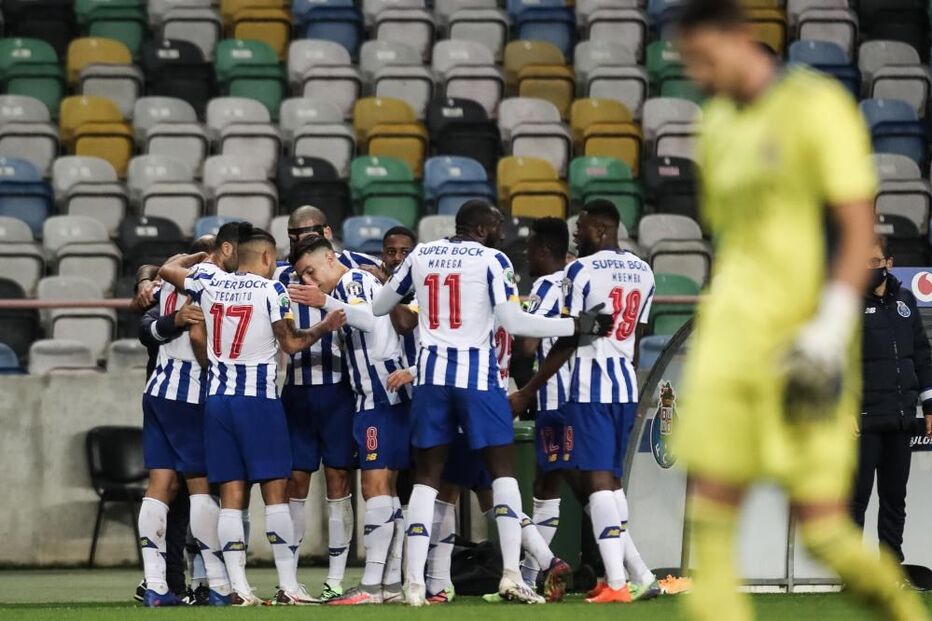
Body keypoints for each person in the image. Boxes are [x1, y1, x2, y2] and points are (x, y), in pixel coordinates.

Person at [671, 1, 927, 620]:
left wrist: (830, 327)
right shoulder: (716, 124)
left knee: (823, 532)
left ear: (740, 37)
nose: (699, 75)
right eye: (689, 64)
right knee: (710, 521)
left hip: (804, 337)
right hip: (730, 338)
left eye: (705, 58)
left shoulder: (816, 108)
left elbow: (856, 226)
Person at [371, 199, 614, 606]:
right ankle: (512, 576)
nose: (504, 233)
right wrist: (576, 325)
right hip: (477, 379)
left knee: (427, 478)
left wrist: (421, 300)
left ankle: (413, 584)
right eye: (498, 225)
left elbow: (380, 306)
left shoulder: (422, 254)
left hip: (431, 376)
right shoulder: (492, 260)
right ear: (481, 229)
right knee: (502, 474)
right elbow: (515, 322)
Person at [159, 227, 346, 606]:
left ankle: (238, 589)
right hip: (258, 401)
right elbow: (291, 343)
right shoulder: (271, 290)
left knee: (231, 495)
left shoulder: (210, 281)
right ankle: (289, 586)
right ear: (266, 257)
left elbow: (166, 270)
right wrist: (324, 327)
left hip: (217, 400)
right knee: (275, 492)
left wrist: (198, 258)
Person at [510, 202, 658, 604]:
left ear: (601, 228)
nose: (576, 236)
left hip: (589, 387)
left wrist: (529, 389)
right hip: (624, 384)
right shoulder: (644, 270)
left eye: (582, 229)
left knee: (594, 484)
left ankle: (618, 582)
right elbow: (639, 335)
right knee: (608, 482)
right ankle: (636, 576)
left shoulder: (580, 271)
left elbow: (570, 336)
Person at [288, 237, 412, 605]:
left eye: (311, 271)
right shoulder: (353, 284)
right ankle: (390, 584)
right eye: (302, 276)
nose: (309, 281)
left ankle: (372, 586)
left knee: (375, 488)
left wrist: (324, 303)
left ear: (330, 258)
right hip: (382, 396)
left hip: (380, 397)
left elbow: (370, 319)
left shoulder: (351, 282)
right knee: (387, 491)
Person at [275, 205, 378, 602]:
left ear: (327, 233)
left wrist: (383, 272)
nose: (299, 239)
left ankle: (335, 578)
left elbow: (392, 274)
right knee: (295, 482)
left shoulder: (352, 265)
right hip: (297, 389)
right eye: (293, 234)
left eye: (308, 231)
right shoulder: (281, 274)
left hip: (339, 389)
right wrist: (146, 274)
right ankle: (290, 579)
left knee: (339, 481)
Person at [135, 228, 241, 607]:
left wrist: (183, 261)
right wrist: (218, 372)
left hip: (157, 391)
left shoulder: (167, 279)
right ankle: (218, 584)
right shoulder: (207, 284)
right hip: (190, 393)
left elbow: (164, 269)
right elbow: (198, 337)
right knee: (201, 488)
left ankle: (156, 585)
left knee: (159, 486)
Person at [852, 236, 932, 563]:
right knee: (855, 501)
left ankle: (890, 569)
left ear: (889, 264)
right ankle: (854, 575)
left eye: (874, 262)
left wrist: (929, 406)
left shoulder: (906, 301)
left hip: (900, 420)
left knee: (895, 500)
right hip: (863, 421)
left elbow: (922, 356)